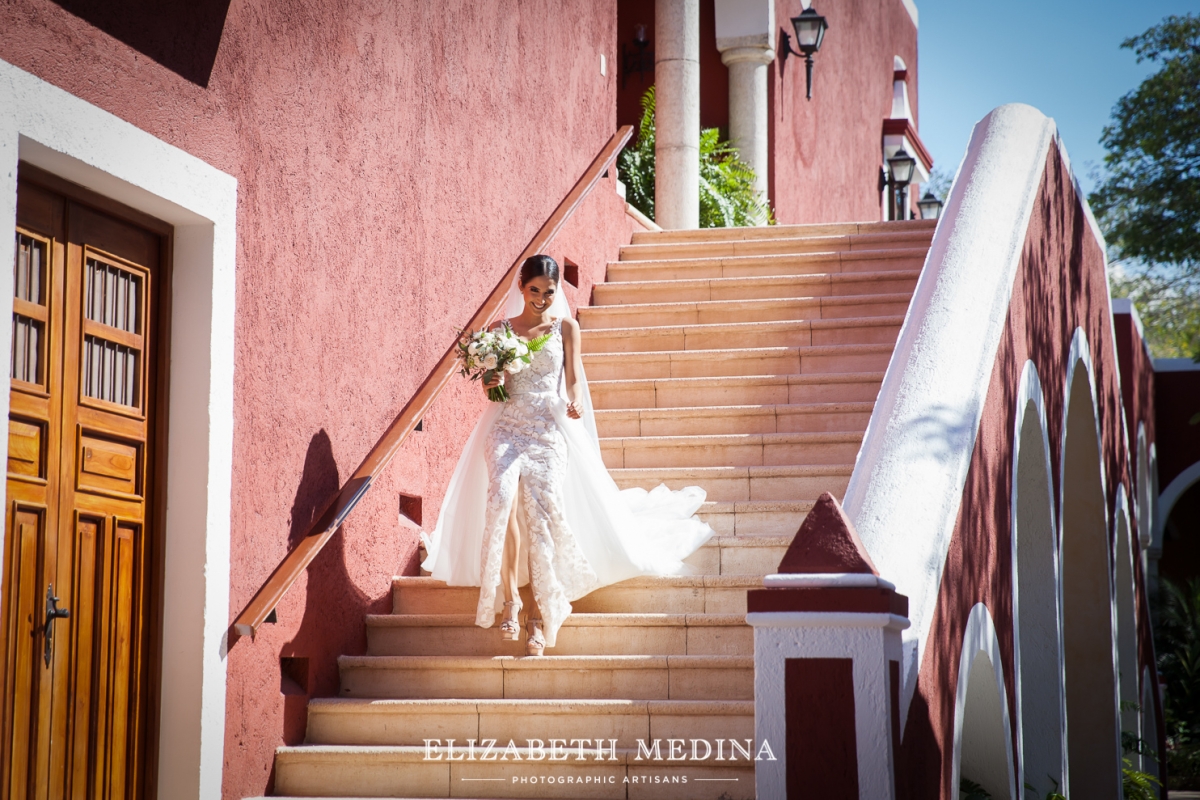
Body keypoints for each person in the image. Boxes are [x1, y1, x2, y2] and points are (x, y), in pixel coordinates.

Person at [421, 254, 713, 656]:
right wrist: (491, 380)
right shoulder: (499, 331)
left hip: (548, 428)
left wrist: (573, 404)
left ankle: (540, 615)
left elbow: (573, 381)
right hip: (506, 425)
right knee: (502, 498)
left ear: (558, 292)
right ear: (521, 288)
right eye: (534, 290)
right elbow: (494, 389)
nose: (541, 298)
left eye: (549, 291)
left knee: (540, 513)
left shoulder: (566, 328)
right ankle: (510, 600)